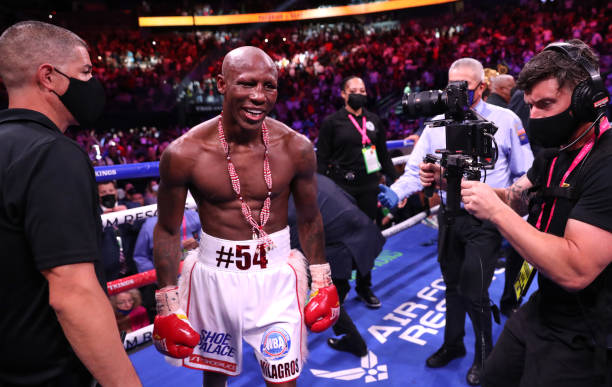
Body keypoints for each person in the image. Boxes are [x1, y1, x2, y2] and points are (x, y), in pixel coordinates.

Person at [152, 46, 340, 387]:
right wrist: (166, 302)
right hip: (215, 280)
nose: (259, 96)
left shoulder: (295, 147)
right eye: (247, 84)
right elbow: (166, 229)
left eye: (269, 85)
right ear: (221, 84)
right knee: (215, 377)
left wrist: (323, 279)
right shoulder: (184, 153)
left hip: (277, 278)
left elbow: (310, 218)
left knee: (284, 380)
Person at [460, 39, 612, 387]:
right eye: (530, 106)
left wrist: (496, 212)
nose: (535, 117)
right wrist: (470, 188)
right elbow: (520, 198)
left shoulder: (607, 162)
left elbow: (576, 270)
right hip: (546, 306)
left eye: (546, 104)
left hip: (588, 330)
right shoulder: (557, 152)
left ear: (588, 99)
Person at [0, 21, 141, 386]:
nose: (93, 84)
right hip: (47, 375)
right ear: (49, 77)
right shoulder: (53, 155)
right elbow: (73, 294)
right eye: (85, 72)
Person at [379, 58, 534, 385]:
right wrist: (396, 192)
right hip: (448, 217)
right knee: (452, 286)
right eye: (450, 87)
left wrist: (504, 202)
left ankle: (484, 354)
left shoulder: (505, 120)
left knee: (474, 290)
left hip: (486, 219)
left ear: (482, 87)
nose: (456, 94)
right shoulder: (436, 124)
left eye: (463, 86)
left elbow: (525, 173)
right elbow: (413, 170)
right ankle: (453, 345)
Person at [316, 75, 397, 309]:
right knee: (340, 241)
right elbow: (321, 160)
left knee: (367, 238)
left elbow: (383, 155)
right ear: (343, 93)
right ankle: (338, 288)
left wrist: (398, 185)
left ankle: (364, 286)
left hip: (369, 187)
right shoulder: (332, 122)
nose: (359, 93)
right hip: (341, 189)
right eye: (354, 90)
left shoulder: (374, 121)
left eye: (362, 89)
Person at [288, 173, 386, 357]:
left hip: (344, 245)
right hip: (361, 230)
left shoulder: (289, 203)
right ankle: (353, 339)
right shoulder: (314, 177)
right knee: (330, 291)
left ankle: (354, 342)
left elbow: (295, 251)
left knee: (322, 292)